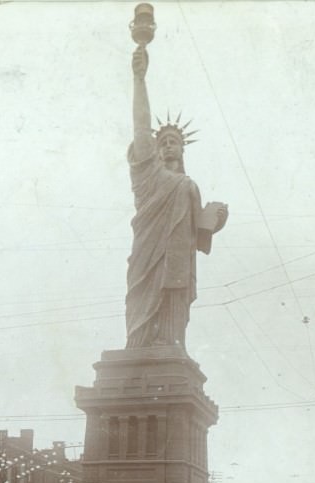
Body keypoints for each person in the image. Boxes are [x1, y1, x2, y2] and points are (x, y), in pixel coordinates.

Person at [125, 44, 228, 349]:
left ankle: (171, 345)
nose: (169, 145)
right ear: (155, 150)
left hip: (178, 262)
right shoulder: (147, 175)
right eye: (164, 141)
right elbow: (141, 126)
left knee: (173, 312)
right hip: (147, 256)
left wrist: (216, 219)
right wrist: (139, 79)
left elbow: (198, 231)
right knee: (141, 310)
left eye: (175, 142)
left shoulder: (188, 186)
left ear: (182, 150)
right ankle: (141, 348)